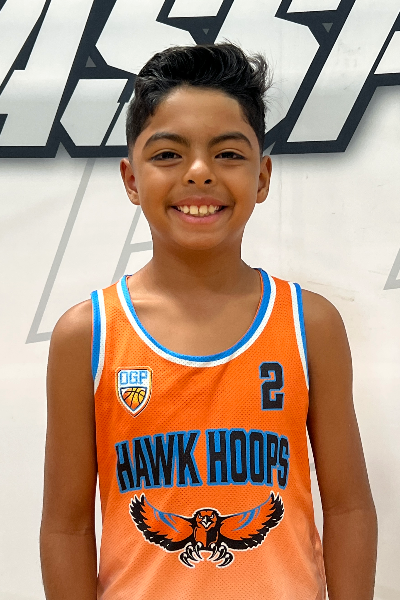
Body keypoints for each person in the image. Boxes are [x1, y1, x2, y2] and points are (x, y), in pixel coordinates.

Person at [40, 43, 377, 600]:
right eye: (168, 154)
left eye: (228, 153)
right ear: (131, 179)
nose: (199, 173)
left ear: (262, 177)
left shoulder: (309, 324)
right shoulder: (88, 336)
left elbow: (348, 507)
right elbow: (66, 527)